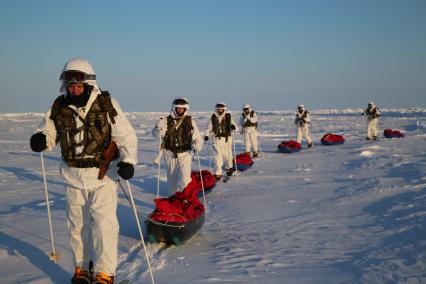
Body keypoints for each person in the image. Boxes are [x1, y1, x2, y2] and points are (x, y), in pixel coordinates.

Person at [29, 58, 138, 284]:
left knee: (103, 225)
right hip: (72, 176)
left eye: (78, 84)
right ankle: (82, 269)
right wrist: (42, 139)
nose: (74, 88)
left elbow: (125, 135)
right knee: (76, 226)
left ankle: (105, 273)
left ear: (88, 83)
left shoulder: (107, 104)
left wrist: (129, 161)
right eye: (70, 85)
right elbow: (49, 131)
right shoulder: (58, 106)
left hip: (103, 176)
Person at [152, 97, 203, 196]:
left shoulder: (190, 121)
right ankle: (173, 198)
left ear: (185, 109)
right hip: (169, 154)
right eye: (178, 108)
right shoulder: (165, 120)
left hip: (185, 154)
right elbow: (156, 135)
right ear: (174, 108)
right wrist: (158, 129)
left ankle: (187, 199)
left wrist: (197, 145)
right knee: (172, 180)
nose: (180, 110)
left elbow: (197, 137)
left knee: (185, 179)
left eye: (182, 108)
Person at [204, 102, 239, 181]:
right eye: (218, 108)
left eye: (221, 108)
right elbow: (208, 128)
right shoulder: (213, 117)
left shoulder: (228, 117)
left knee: (228, 155)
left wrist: (233, 127)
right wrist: (206, 135)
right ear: (216, 109)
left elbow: (237, 128)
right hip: (217, 139)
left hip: (227, 139)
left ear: (224, 109)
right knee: (218, 156)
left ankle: (229, 168)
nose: (220, 109)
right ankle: (217, 173)